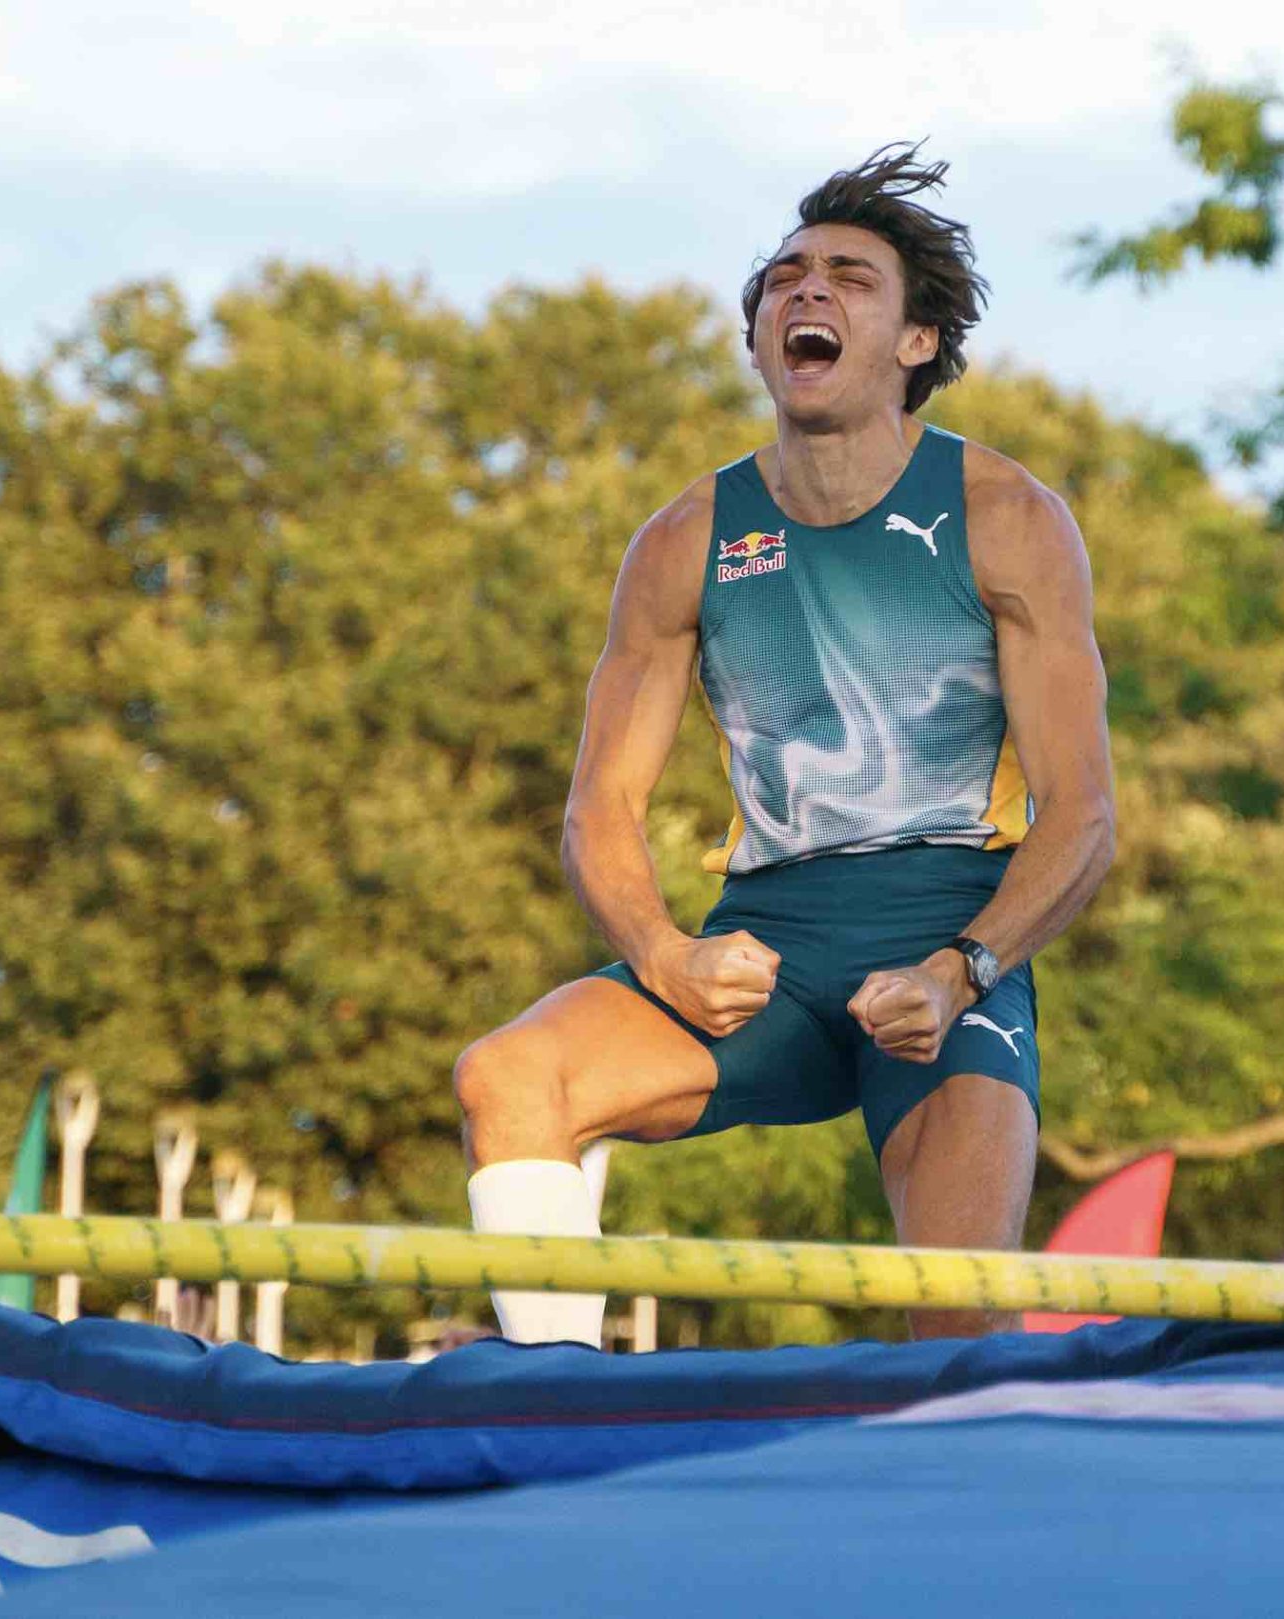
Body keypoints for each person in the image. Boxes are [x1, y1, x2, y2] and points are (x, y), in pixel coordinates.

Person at [454, 144, 1117, 1343]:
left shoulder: (1009, 518)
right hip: (765, 941)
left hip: (944, 947)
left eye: (851, 278)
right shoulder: (682, 539)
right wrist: (660, 952)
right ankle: (555, 1401)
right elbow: (596, 809)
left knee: (957, 1340)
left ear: (915, 343)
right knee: (508, 1075)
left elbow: (1083, 816)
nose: (806, 292)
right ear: (759, 336)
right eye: (784, 277)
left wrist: (959, 970)